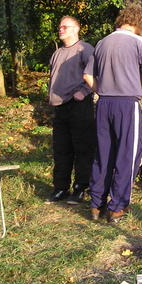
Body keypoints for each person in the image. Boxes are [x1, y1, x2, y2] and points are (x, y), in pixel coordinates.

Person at [83, 5, 142, 223]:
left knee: (104, 154)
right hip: (127, 104)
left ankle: (96, 205)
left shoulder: (102, 43)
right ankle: (117, 207)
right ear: (141, 23)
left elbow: (87, 77)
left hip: (103, 104)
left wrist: (102, 91)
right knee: (127, 155)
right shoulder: (139, 42)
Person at [47, 16, 97, 204]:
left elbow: (95, 75)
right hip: (60, 108)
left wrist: (83, 92)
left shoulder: (85, 49)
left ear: (76, 29)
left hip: (78, 106)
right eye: (59, 27)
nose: (60, 29)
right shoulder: (57, 53)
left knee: (82, 148)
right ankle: (60, 188)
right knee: (61, 149)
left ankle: (81, 188)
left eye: (65, 27)